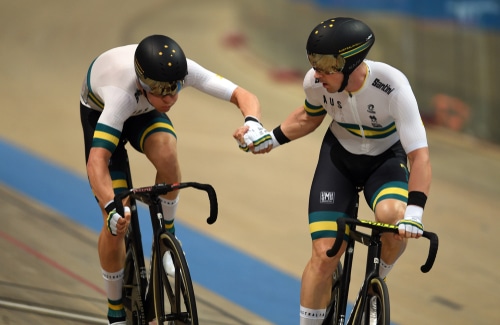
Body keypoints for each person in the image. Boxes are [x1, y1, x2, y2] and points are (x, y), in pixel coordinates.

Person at [234, 17, 431, 324]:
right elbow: (308, 116)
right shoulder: (315, 83)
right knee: (324, 257)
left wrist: (415, 213)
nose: (317, 72)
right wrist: (270, 139)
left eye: (325, 65)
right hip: (339, 160)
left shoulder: (392, 86)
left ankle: (373, 287)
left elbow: (419, 157)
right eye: (313, 62)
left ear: (351, 63)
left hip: (386, 161)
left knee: (393, 217)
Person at [80, 34, 272, 325]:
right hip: (101, 113)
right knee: (118, 223)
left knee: (167, 152)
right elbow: (97, 162)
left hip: (143, 111)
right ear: (144, 85)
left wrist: (253, 123)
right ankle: (115, 310)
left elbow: (244, 95)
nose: (171, 98)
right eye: (163, 93)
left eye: (176, 89)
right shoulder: (119, 96)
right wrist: (110, 208)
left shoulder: (179, 71)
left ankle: (166, 236)